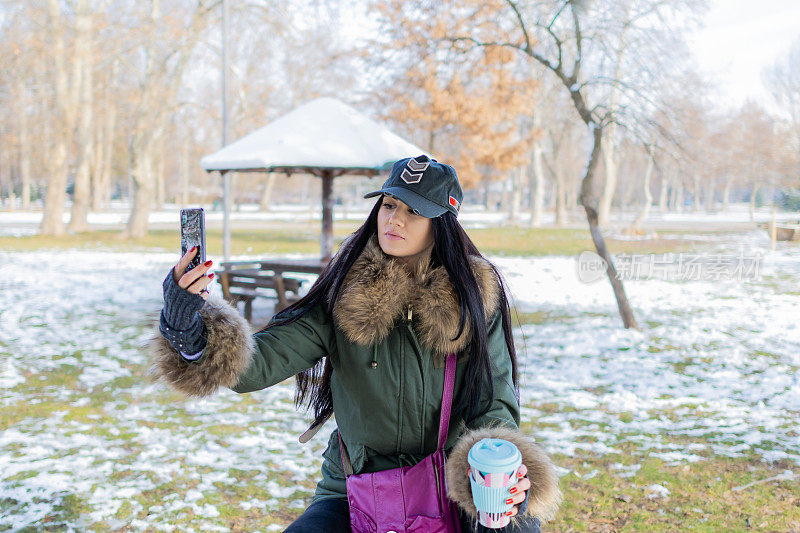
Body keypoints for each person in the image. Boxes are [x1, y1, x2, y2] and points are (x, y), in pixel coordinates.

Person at [147, 155, 561, 532]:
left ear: (441, 224)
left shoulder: (474, 299)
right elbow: (253, 365)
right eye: (389, 204)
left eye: (414, 211)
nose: (394, 219)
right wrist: (187, 326)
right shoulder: (342, 296)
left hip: (454, 488)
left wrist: (500, 470)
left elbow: (496, 403)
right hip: (353, 490)